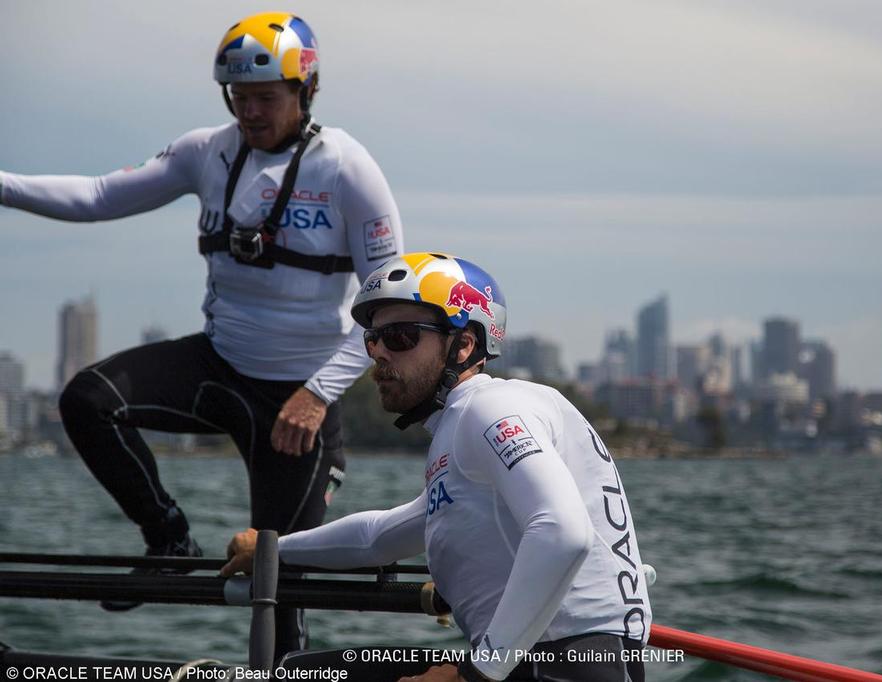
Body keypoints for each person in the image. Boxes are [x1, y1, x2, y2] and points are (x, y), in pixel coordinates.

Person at [0, 12, 403, 658]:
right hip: (219, 365)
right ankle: (168, 540)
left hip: (297, 407)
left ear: (307, 91)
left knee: (280, 600)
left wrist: (319, 393)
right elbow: (100, 194)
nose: (249, 111)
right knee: (86, 400)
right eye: (238, 98)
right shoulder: (205, 152)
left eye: (265, 98)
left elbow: (389, 307)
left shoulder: (348, 171)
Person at [222, 252, 651, 681]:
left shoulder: (489, 408)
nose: (380, 355)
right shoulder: (465, 427)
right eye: (373, 339)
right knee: (304, 673)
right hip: (554, 661)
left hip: (558, 665)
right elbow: (378, 538)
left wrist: (474, 674)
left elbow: (563, 532)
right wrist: (270, 549)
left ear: (464, 345)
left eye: (402, 337)